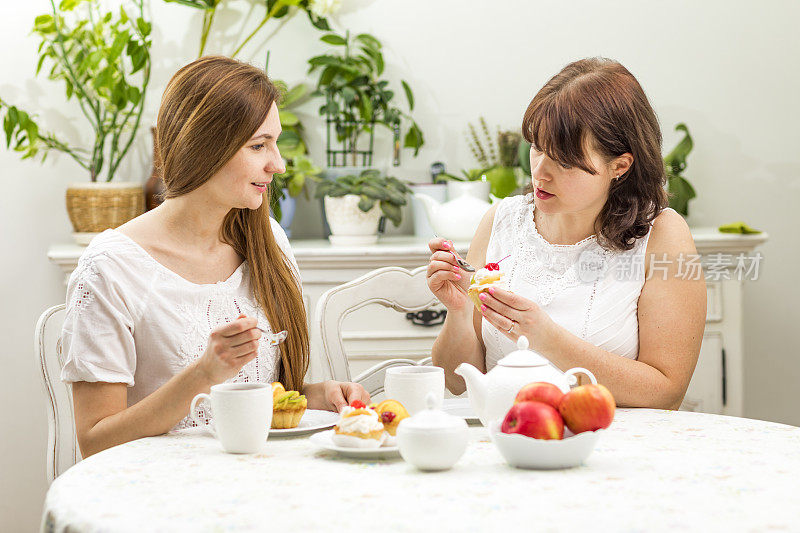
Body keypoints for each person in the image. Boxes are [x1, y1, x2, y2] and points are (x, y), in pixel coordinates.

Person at [61, 56, 369, 458]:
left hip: (261, 482)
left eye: (275, 142)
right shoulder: (111, 268)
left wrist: (314, 396)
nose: (277, 163)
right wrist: (205, 373)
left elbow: (262, 397)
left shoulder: (269, 242)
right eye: (259, 145)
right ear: (204, 148)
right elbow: (95, 440)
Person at [428, 58, 706, 409]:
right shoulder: (501, 221)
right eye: (537, 148)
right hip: (508, 440)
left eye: (563, 161)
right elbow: (456, 382)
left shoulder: (662, 236)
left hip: (615, 445)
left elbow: (666, 393)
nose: (540, 173)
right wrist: (456, 313)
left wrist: (547, 339)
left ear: (619, 165)